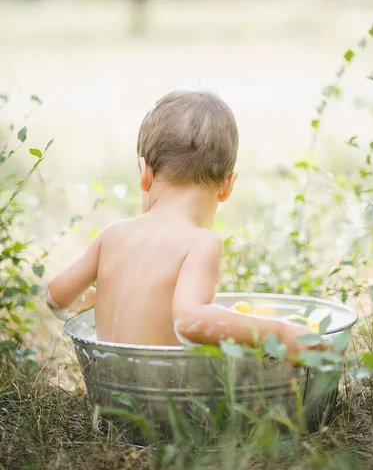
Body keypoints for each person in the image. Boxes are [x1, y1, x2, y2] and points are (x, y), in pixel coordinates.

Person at [45, 90, 326, 360]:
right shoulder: (202, 243)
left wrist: (99, 298)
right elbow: (191, 320)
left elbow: (56, 296)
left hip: (107, 390)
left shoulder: (111, 235)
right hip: (168, 398)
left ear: (144, 173)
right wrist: (280, 332)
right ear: (227, 186)